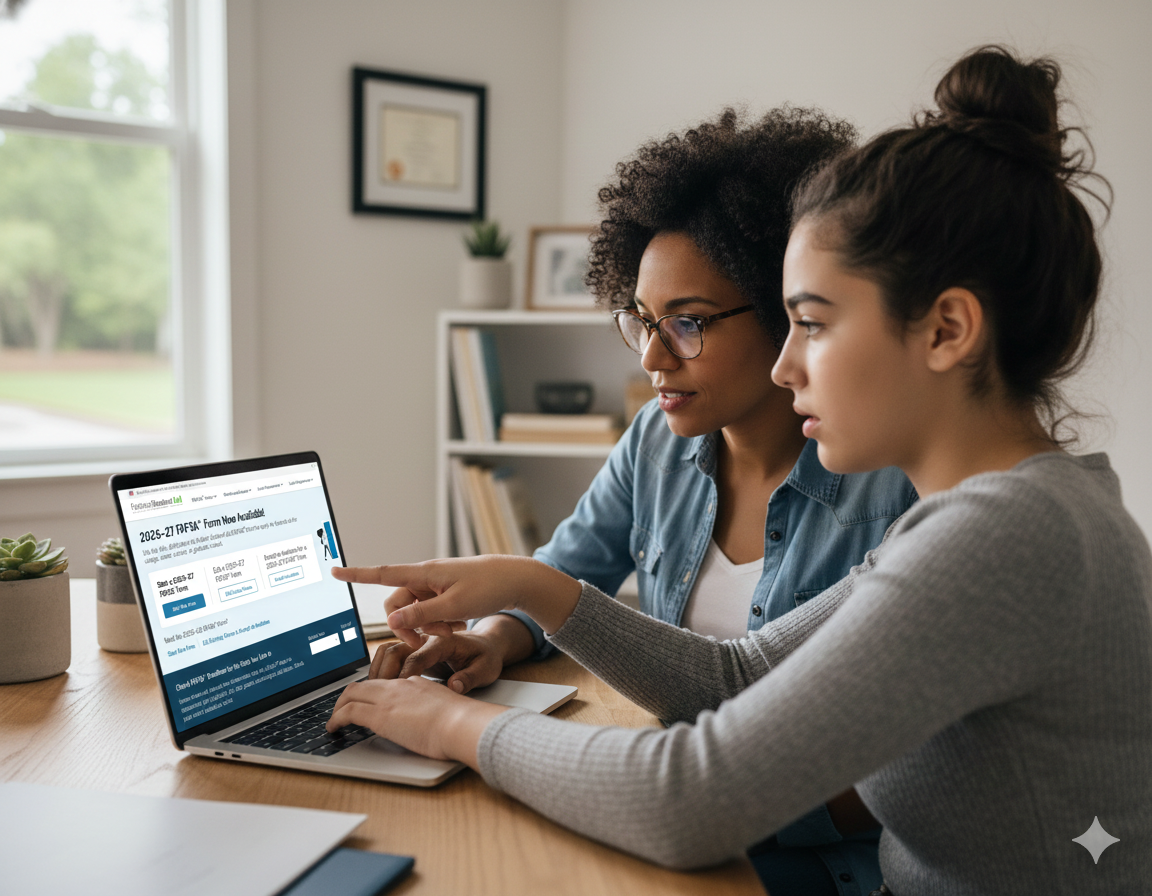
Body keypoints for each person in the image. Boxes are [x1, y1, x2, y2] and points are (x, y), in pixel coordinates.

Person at [330, 46, 1152, 893]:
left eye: (813, 324)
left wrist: (450, 725)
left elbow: (689, 801)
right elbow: (739, 674)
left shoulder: (1011, 537)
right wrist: (524, 584)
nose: (787, 367)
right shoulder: (1004, 516)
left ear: (947, 330)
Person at [374, 108, 916, 896]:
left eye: (689, 323)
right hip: (672, 811)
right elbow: (564, 570)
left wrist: (648, 790)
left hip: (805, 859)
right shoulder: (656, 443)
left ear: (789, 312)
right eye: (643, 321)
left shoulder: (900, 485)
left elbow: (876, 772)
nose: (655, 357)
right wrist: (492, 637)